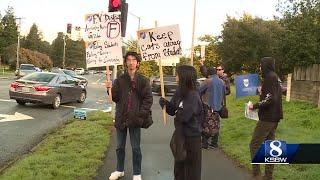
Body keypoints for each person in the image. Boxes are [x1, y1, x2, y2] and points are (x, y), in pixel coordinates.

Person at [106, 51, 153, 180]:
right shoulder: (120, 80)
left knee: (136, 148)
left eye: (133, 60)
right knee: (119, 147)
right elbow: (115, 97)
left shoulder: (143, 80)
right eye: (128, 60)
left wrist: (140, 115)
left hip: (135, 119)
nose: (131, 62)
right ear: (126, 62)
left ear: (137, 63)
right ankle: (119, 170)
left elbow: (148, 100)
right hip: (121, 118)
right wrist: (109, 88)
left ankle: (137, 173)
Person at [159, 65, 203, 180]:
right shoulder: (179, 92)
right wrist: (165, 103)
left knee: (192, 170)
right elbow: (172, 110)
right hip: (180, 135)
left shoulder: (193, 95)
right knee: (179, 168)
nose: (176, 76)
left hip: (192, 138)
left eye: (178, 74)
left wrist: (178, 112)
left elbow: (184, 117)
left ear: (184, 77)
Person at [249, 57, 283, 180]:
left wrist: (255, 105)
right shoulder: (276, 77)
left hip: (267, 118)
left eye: (260, 65)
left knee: (254, 144)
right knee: (271, 147)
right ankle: (268, 176)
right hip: (275, 117)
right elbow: (274, 94)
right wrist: (262, 91)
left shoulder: (269, 77)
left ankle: (256, 175)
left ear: (265, 65)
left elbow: (270, 99)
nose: (259, 67)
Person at [198, 67, 225, 149]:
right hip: (218, 106)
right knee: (216, 124)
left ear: (209, 74)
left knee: (206, 124)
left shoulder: (207, 81)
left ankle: (205, 143)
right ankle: (214, 143)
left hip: (208, 106)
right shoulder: (222, 81)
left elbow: (199, 91)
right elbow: (224, 93)